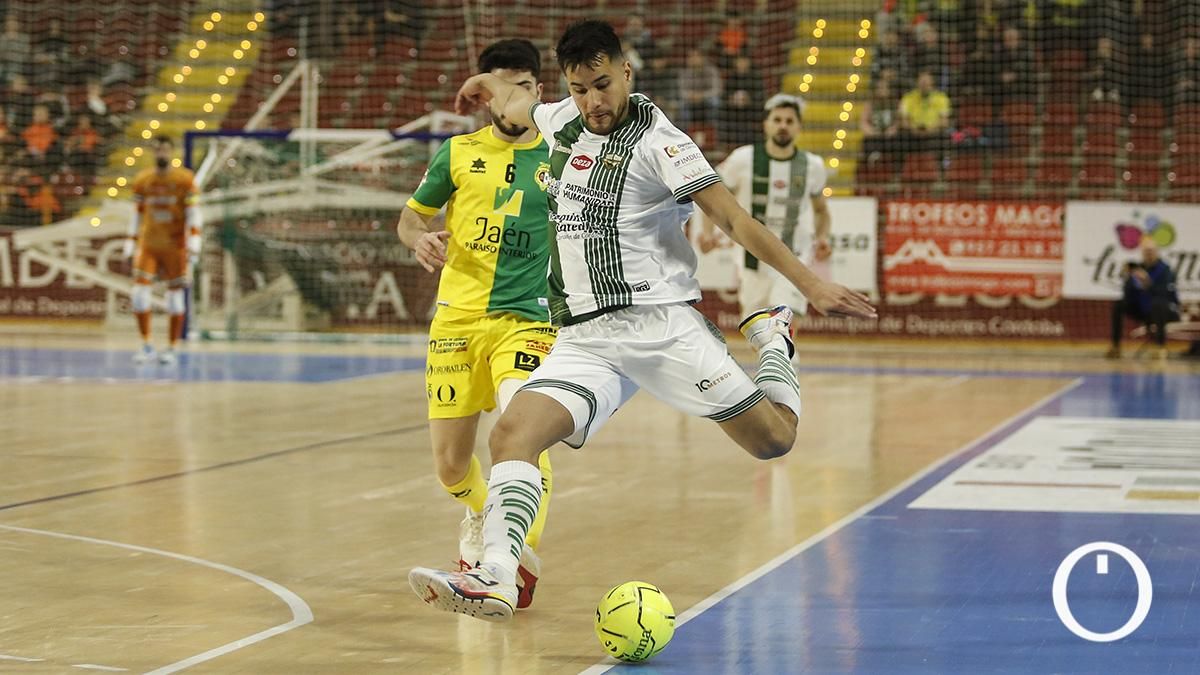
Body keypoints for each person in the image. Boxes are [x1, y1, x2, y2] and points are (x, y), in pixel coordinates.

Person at [409, 20, 875, 623]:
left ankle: (774, 341)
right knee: (511, 436)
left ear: (626, 72)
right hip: (586, 338)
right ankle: (495, 575)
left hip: (662, 328)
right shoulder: (559, 119)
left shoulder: (662, 143)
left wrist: (811, 283)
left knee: (774, 441)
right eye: (579, 89)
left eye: (602, 84)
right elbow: (517, 100)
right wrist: (481, 85)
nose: (593, 102)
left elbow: (736, 222)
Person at [395, 38, 556, 611]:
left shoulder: (564, 152)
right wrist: (420, 241)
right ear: (484, 91)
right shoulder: (459, 152)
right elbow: (409, 221)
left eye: (523, 83)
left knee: (524, 437)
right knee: (450, 468)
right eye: (499, 83)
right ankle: (483, 516)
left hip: (529, 321)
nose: (510, 95)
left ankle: (498, 561)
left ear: (539, 90)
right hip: (457, 320)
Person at [699, 94, 831, 338]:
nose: (783, 125)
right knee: (758, 335)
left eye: (789, 121)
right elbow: (712, 197)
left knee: (784, 328)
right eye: (777, 119)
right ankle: (772, 373)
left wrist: (823, 237)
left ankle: (785, 374)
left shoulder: (813, 165)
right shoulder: (743, 158)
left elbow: (822, 211)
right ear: (766, 124)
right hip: (752, 260)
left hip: (795, 259)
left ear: (799, 127)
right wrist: (706, 233)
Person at [123, 136, 202, 365]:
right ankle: (146, 344)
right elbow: (136, 213)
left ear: (173, 152)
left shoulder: (185, 180)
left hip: (175, 246)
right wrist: (130, 243)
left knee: (176, 300)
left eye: (165, 150)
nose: (161, 154)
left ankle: (172, 347)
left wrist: (195, 244)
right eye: (158, 150)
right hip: (148, 245)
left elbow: (194, 213)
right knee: (138, 295)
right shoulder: (143, 179)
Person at [1107, 239, 1180, 359]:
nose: (1149, 253)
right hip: (1144, 310)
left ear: (1157, 252)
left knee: (1158, 304)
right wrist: (1128, 278)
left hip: (1167, 311)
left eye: (1151, 250)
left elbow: (1164, 294)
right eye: (1146, 251)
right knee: (1119, 304)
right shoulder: (1137, 269)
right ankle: (1115, 346)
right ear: (1142, 252)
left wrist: (1147, 282)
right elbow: (1128, 295)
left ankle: (1160, 347)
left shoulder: (1165, 270)